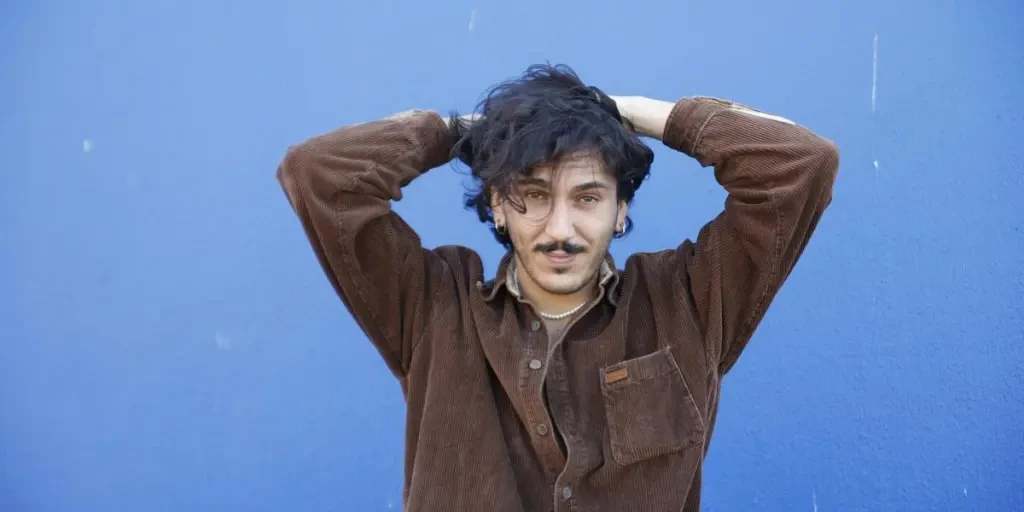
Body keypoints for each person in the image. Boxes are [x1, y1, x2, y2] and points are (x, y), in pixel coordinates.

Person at [276, 63, 839, 511]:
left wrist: (634, 114)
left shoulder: (688, 302)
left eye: (588, 198)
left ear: (621, 211)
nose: (560, 229)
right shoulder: (431, 306)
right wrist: (459, 131)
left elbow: (801, 165)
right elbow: (318, 173)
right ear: (497, 205)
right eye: (535, 195)